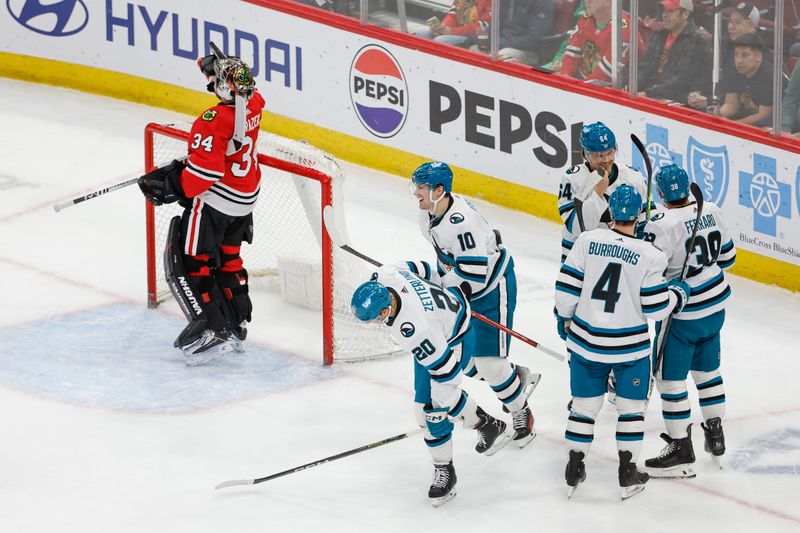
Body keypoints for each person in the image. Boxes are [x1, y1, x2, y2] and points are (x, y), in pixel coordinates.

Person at [555, 184, 691, 500]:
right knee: (630, 411)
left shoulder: (587, 241)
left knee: (583, 409)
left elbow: (565, 293)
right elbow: (656, 308)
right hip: (629, 349)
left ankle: (575, 464)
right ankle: (627, 472)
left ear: (611, 213)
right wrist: (678, 294)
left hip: (586, 342)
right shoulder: (651, 255)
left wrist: (566, 320)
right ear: (640, 217)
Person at [138, 51, 265, 365]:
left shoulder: (210, 121)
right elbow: (243, 93)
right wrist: (220, 71)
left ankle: (209, 328)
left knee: (192, 262)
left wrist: (169, 184)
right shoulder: (256, 104)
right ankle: (237, 324)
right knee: (230, 259)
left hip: (215, 202)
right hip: (245, 198)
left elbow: (202, 178)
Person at [351, 267, 511, 507]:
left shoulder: (414, 328)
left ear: (385, 310)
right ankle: (488, 424)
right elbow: (418, 268)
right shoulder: (384, 275)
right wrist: (447, 285)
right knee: (424, 410)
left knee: (433, 410)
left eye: (375, 319)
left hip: (454, 339)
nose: (375, 324)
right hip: (444, 321)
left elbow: (446, 373)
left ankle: (447, 469)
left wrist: (438, 412)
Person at [409, 162, 540, 449]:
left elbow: (475, 276)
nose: (416, 192)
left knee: (491, 366)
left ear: (439, 190)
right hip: (464, 287)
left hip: (492, 288)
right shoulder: (429, 213)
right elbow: (447, 260)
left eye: (421, 187)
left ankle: (521, 412)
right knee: (462, 359)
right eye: (416, 185)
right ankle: (516, 376)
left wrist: (442, 289)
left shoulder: (461, 223)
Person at [641, 164, 736, 477]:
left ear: (661, 195)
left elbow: (650, 270)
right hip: (715, 308)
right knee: (708, 373)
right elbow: (728, 259)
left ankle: (681, 448)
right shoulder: (712, 209)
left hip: (683, 314)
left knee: (670, 381)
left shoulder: (662, 223)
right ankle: (716, 435)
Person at [557, 122, 649, 264]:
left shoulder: (633, 177)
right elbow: (576, 228)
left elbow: (645, 221)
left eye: (610, 153)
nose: (606, 160)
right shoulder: (573, 179)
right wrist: (598, 194)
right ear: (585, 154)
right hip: (580, 256)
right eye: (599, 156)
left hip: (621, 255)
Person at [687, 2, 763, 111]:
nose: (730, 27)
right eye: (730, 22)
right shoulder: (724, 44)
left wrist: (709, 101)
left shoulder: (759, 56)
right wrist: (696, 92)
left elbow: (742, 96)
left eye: (737, 22)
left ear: (751, 27)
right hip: (711, 105)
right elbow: (705, 72)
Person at [637, 0, 712, 103]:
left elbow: (681, 80)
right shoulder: (661, 34)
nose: (664, 15)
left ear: (685, 14)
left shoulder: (696, 39)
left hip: (681, 98)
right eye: (664, 11)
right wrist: (633, 85)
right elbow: (646, 64)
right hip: (653, 91)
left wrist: (648, 93)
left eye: (670, 11)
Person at [559, 0, 643, 83]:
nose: (586, 1)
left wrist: (577, 87)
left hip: (608, 89)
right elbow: (571, 55)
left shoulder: (623, 30)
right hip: (581, 81)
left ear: (607, 1)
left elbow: (604, 75)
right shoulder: (587, 17)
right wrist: (565, 76)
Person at [715, 33, 775, 126]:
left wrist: (733, 125)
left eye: (745, 55)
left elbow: (764, 115)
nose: (739, 60)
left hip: (770, 123)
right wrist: (715, 118)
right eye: (736, 54)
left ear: (758, 57)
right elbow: (731, 106)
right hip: (747, 118)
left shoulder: (769, 75)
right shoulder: (733, 70)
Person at [416, 0, 492, 49]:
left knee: (439, 41)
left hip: (473, 38)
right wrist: (442, 28)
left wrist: (452, 31)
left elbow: (483, 26)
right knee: (422, 34)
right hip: (456, 31)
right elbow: (453, 14)